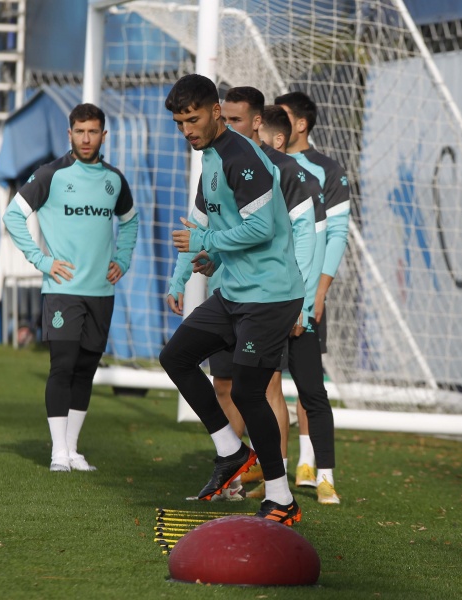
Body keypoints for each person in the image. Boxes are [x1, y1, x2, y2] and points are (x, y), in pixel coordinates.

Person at [159, 74, 305, 526]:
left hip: (271, 295)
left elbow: (261, 228)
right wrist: (199, 265)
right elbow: (210, 226)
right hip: (236, 292)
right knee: (176, 357)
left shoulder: (242, 157)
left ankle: (282, 499)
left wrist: (209, 244)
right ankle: (231, 451)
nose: (187, 130)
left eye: (193, 119)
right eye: (180, 123)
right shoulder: (210, 160)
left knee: (246, 391)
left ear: (216, 111)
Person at [2, 103, 138, 473]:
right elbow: (13, 216)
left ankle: (73, 450)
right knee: (62, 365)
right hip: (62, 290)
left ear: (103, 135)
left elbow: (130, 221)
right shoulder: (51, 174)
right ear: (70, 134)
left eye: (93, 131)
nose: (86, 138)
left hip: (101, 292)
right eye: (80, 131)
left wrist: (122, 259)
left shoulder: (114, 179)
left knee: (86, 369)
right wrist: (42, 260)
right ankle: (57, 453)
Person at [275, 91, 350, 503]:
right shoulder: (263, 165)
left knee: (309, 386)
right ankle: (272, 468)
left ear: (300, 125)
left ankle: (310, 464)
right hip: (268, 296)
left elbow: (335, 235)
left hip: (307, 295)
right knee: (265, 384)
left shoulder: (326, 170)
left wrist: (318, 292)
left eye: (282, 116)